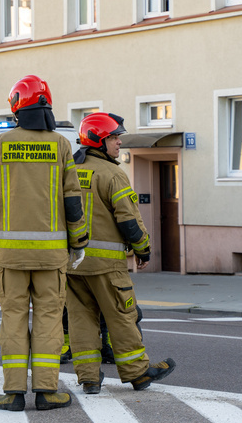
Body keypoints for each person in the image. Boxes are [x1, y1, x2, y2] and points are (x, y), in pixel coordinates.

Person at [0, 74, 88, 412]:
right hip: (52, 256)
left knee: (13, 318)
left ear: (17, 107)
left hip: (10, 256)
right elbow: (72, 198)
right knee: (49, 319)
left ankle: (13, 392)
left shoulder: (1, 145)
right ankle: (46, 390)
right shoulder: (60, 145)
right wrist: (78, 241)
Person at [66, 112, 175, 393]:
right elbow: (128, 218)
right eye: (114, 138)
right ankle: (138, 373)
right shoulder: (113, 174)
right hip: (107, 265)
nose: (118, 143)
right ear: (99, 141)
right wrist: (144, 249)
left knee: (80, 320)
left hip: (72, 264)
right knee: (122, 317)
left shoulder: (67, 170)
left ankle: (89, 378)